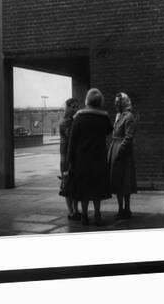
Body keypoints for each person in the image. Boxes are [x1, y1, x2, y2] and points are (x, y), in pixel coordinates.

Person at [67, 88, 113, 226]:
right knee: (97, 187)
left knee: (84, 188)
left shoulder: (79, 118)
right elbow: (109, 130)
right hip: (99, 157)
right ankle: (98, 214)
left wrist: (70, 160)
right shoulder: (103, 117)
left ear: (87, 100)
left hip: (82, 159)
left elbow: (72, 141)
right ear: (100, 101)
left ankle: (85, 215)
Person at [108, 92, 137, 219]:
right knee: (118, 180)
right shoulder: (118, 115)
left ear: (124, 103)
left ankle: (127, 208)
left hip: (122, 152)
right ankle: (120, 209)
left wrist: (120, 150)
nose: (116, 105)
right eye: (115, 103)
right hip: (115, 148)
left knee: (125, 180)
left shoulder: (129, 116)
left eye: (118, 103)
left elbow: (129, 136)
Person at [59, 97, 81, 220]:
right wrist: (64, 163)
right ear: (68, 108)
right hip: (66, 158)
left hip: (74, 157)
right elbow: (65, 144)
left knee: (75, 185)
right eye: (73, 107)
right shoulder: (64, 123)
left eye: (77, 107)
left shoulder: (74, 121)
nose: (76, 109)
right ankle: (71, 211)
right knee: (67, 185)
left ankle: (76, 210)